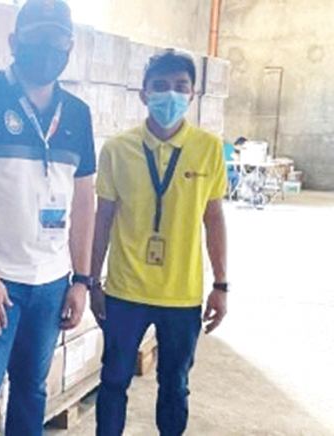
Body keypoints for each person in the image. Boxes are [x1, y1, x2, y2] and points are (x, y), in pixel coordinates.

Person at [0, 1, 96, 434]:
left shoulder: (78, 114)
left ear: (70, 45)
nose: (48, 47)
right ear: (14, 42)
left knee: (32, 390)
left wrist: (81, 280)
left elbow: (84, 201)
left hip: (51, 283)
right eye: (37, 36)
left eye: (58, 38)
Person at [90, 49, 229, 436]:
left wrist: (220, 285)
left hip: (182, 296)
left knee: (175, 386)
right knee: (114, 381)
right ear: (143, 93)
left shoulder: (209, 148)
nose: (171, 95)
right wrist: (91, 281)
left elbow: (214, 218)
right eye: (161, 87)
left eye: (180, 87)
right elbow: (103, 217)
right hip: (124, 290)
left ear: (193, 94)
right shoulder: (118, 149)